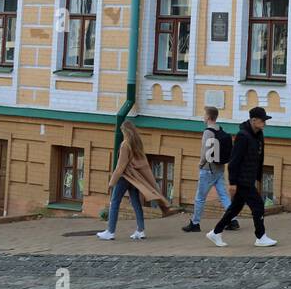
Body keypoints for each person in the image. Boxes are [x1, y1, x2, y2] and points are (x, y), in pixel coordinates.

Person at [206, 106, 277, 248]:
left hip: (250, 177)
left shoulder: (258, 135)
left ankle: (215, 232)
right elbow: (234, 161)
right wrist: (232, 182)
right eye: (263, 121)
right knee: (258, 206)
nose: (265, 124)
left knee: (235, 208)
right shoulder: (242, 136)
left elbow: (259, 157)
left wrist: (258, 177)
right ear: (254, 120)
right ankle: (260, 236)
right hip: (242, 179)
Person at [97, 121, 175, 241]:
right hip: (135, 179)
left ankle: (110, 231)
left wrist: (112, 182)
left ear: (125, 131)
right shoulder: (137, 143)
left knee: (115, 202)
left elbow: (120, 166)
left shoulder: (125, 145)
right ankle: (140, 230)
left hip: (125, 177)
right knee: (136, 203)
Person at [183, 105, 239, 233]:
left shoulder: (208, 132)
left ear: (208, 117)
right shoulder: (221, 130)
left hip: (208, 170)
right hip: (219, 169)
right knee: (224, 195)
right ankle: (233, 220)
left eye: (204, 115)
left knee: (200, 197)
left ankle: (195, 223)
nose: (203, 117)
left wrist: (200, 164)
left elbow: (205, 152)